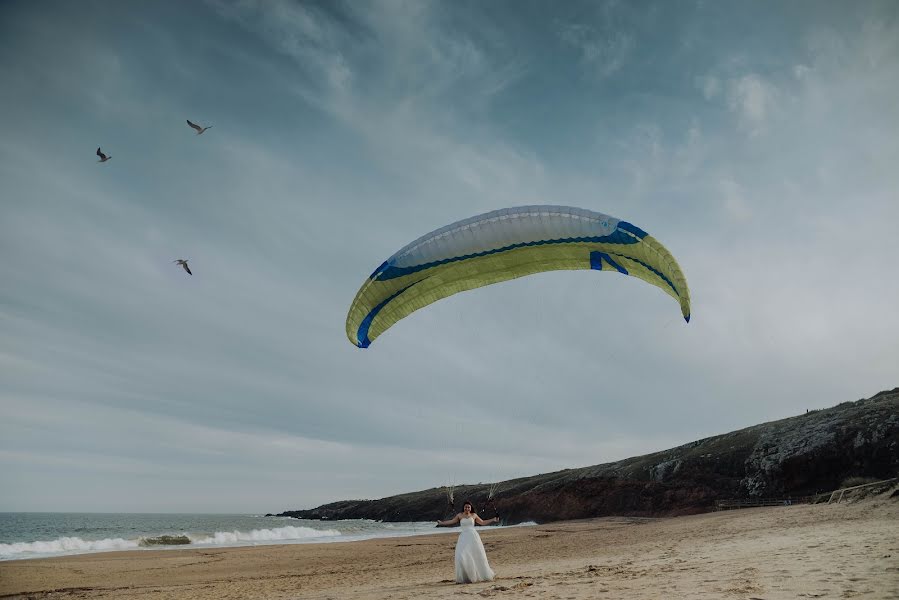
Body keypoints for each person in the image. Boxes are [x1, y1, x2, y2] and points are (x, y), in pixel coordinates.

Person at [436, 501, 500, 583]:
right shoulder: (459, 515)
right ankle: (466, 576)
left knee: (476, 555)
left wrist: (493, 519)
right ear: (463, 507)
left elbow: (483, 522)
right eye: (466, 507)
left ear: (471, 508)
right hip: (463, 537)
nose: (467, 508)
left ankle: (478, 575)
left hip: (473, 537)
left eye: (468, 507)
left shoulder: (474, 515)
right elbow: (451, 521)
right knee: (461, 555)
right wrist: (442, 523)